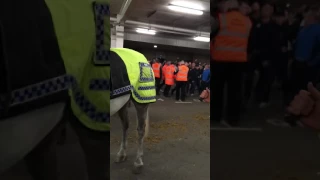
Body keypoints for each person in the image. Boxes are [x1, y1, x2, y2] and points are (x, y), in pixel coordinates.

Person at [211, 0, 252, 127]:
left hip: (220, 60)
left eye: (222, 4)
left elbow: (211, 34)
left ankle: (215, 116)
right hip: (239, 62)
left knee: (217, 90)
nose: (221, 6)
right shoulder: (247, 22)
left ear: (228, 5)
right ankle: (233, 119)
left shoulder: (221, 18)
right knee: (235, 92)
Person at [285, 6, 320, 126]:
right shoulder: (303, 29)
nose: (306, 18)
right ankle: (293, 114)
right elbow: (297, 45)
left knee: (306, 92)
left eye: (308, 16)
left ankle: (303, 115)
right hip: (298, 63)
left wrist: (312, 63)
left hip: (308, 65)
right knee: (296, 90)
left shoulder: (317, 30)